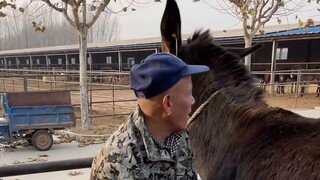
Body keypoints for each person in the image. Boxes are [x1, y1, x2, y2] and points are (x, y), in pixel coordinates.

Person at [90, 53, 209, 179]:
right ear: (168, 103)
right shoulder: (125, 160)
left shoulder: (179, 137)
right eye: (189, 93)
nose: (193, 101)